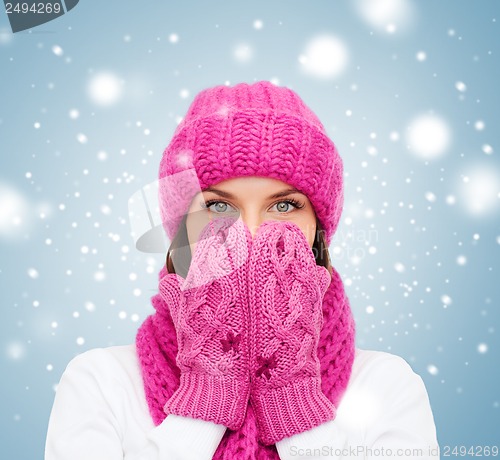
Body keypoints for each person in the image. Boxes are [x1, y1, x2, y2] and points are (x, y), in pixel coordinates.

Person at [45, 81, 439, 459]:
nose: (251, 232)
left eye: (284, 206)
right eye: (218, 206)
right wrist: (207, 396)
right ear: (181, 230)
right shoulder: (101, 381)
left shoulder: (386, 386)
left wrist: (293, 399)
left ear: (318, 229)